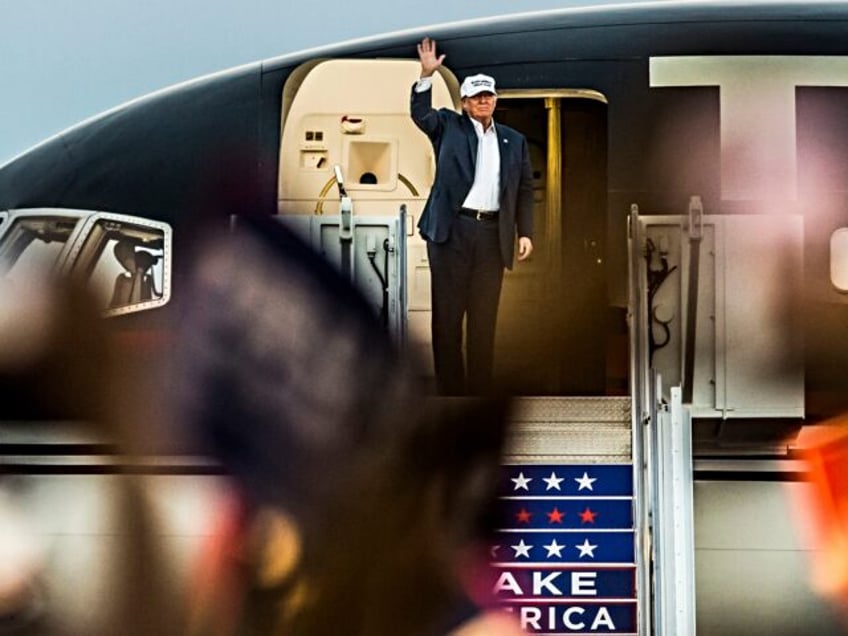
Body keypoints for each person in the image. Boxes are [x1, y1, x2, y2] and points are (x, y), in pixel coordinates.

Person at [411, 37, 535, 396]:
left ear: (496, 99)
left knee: (484, 322)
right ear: (464, 102)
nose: (484, 101)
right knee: (448, 319)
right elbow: (421, 115)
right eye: (477, 96)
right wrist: (426, 76)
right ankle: (451, 396)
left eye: (489, 95)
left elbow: (524, 190)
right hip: (452, 232)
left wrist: (525, 232)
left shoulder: (514, 140)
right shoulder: (448, 126)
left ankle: (478, 395)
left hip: (492, 234)